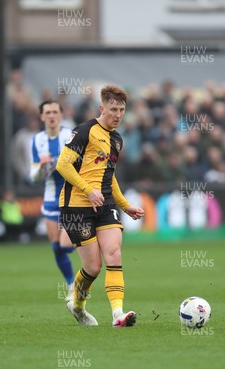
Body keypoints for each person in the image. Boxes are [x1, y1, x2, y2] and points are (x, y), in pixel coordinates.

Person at [56, 85, 145, 328]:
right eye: (113, 109)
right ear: (101, 108)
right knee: (93, 267)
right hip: (76, 207)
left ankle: (118, 314)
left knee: (114, 254)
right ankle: (77, 306)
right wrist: (87, 189)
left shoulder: (117, 140)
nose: (118, 114)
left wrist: (125, 206)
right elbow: (62, 165)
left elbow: (109, 176)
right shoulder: (84, 131)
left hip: (105, 204)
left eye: (122, 110)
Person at [30, 100, 76, 300]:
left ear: (60, 114)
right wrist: (41, 168)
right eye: (47, 112)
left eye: (55, 112)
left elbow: (81, 162)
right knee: (56, 247)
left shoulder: (69, 135)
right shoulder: (37, 140)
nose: (51, 115)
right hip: (50, 199)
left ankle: (89, 243)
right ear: (41, 116)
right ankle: (72, 285)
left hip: (71, 197)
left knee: (66, 246)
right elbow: (32, 176)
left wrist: (62, 164)